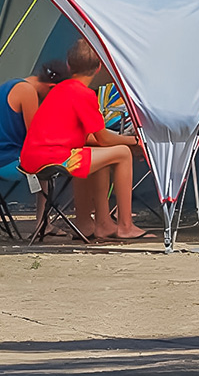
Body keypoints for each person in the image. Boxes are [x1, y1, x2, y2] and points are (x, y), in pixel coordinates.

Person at [21, 39, 150, 241]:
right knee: (122, 154)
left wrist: (122, 141)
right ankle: (126, 225)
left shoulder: (60, 89)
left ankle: (93, 223)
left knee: (94, 152)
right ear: (99, 67)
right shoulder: (84, 94)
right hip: (54, 158)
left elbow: (93, 138)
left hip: (33, 156)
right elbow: (104, 137)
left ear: (69, 65)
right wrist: (134, 141)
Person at [0, 59, 70, 234]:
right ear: (52, 87)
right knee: (47, 162)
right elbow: (36, 138)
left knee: (44, 159)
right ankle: (43, 224)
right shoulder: (27, 92)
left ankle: (44, 222)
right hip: (2, 161)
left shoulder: (14, 84)